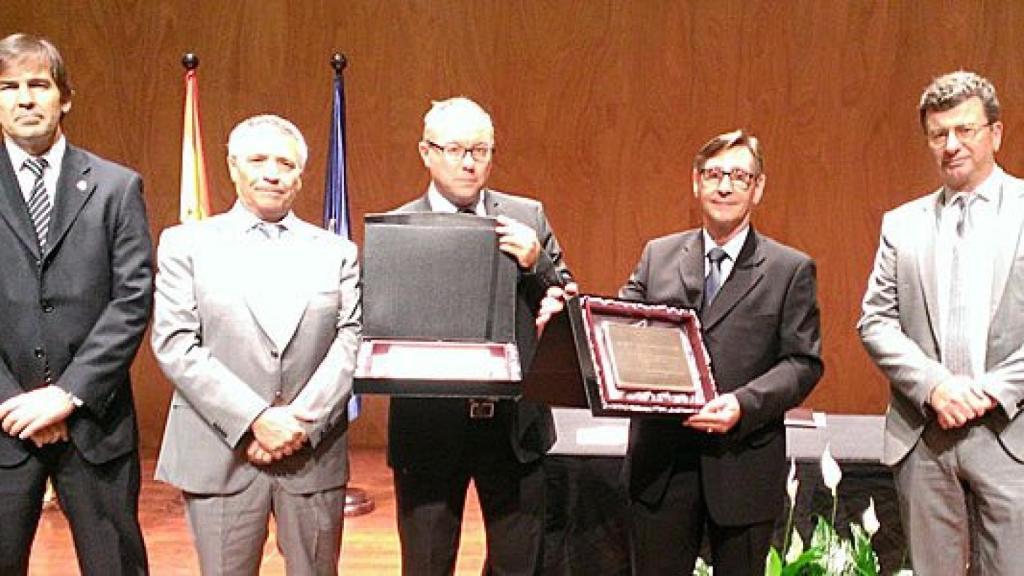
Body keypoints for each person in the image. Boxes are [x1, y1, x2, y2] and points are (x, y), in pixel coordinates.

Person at [151, 114, 361, 575]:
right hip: (222, 451)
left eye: (285, 162)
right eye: (258, 159)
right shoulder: (185, 244)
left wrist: (299, 424)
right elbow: (175, 343)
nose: (272, 172)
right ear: (232, 166)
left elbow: (352, 341)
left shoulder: (336, 252)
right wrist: (254, 420)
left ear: (300, 176)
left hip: (310, 454)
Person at [620, 130, 823, 574]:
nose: (725, 187)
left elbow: (803, 363)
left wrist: (742, 404)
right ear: (696, 183)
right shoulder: (658, 255)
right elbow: (619, 329)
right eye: (713, 175)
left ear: (758, 187)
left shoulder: (790, 269)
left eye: (738, 176)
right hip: (662, 464)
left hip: (743, 462)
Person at [387, 97, 573, 575]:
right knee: (426, 565)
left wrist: (539, 265)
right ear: (426, 152)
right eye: (454, 149)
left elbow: (564, 307)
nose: (469, 162)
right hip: (428, 426)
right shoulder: (396, 228)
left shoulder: (527, 217)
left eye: (480, 150)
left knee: (519, 565)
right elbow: (379, 324)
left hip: (514, 427)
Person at [859, 71, 1024, 574]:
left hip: (1011, 433)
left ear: (994, 133)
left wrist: (990, 390)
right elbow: (875, 321)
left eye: (965, 130)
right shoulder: (901, 223)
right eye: (938, 134)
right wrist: (936, 388)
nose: (951, 145)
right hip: (925, 436)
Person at [0, 33, 152, 575]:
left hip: (94, 423)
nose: (24, 99)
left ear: (64, 97)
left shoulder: (116, 187)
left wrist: (67, 395)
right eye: (8, 87)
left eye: (38, 84)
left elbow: (132, 300)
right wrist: (17, 404)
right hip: (4, 422)